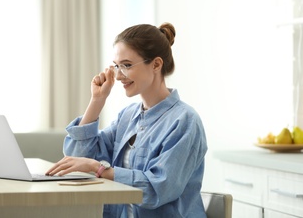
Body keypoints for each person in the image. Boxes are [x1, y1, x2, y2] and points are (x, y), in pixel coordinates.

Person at [46, 22, 208, 218]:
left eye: (127, 65)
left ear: (156, 64)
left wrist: (97, 168)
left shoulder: (185, 121)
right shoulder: (128, 116)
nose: (119, 75)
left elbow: (156, 189)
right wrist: (97, 100)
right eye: (117, 66)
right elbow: (76, 155)